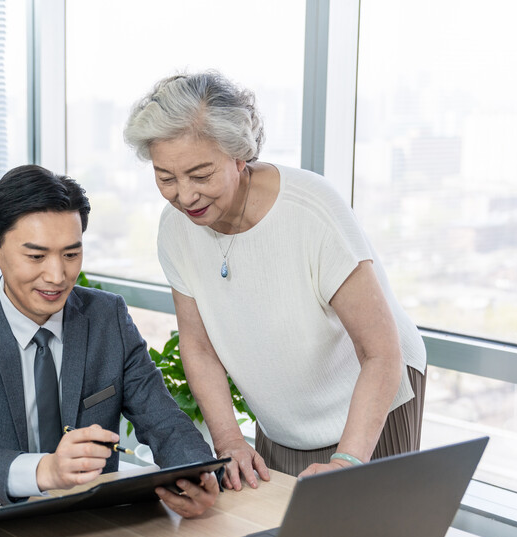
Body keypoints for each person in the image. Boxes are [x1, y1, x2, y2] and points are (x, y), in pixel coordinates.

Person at [123, 71, 427, 488]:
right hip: (282, 413)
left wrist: (347, 461)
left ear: (239, 155)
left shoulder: (311, 211)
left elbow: (379, 351)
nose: (185, 195)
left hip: (370, 400)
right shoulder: (175, 230)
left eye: (201, 174)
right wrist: (229, 438)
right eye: (166, 178)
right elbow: (198, 346)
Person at [0, 164, 219, 518]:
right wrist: (45, 470)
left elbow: (164, 421)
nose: (57, 276)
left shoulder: (108, 319)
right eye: (36, 256)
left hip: (89, 525)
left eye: (71, 254)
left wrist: (197, 475)